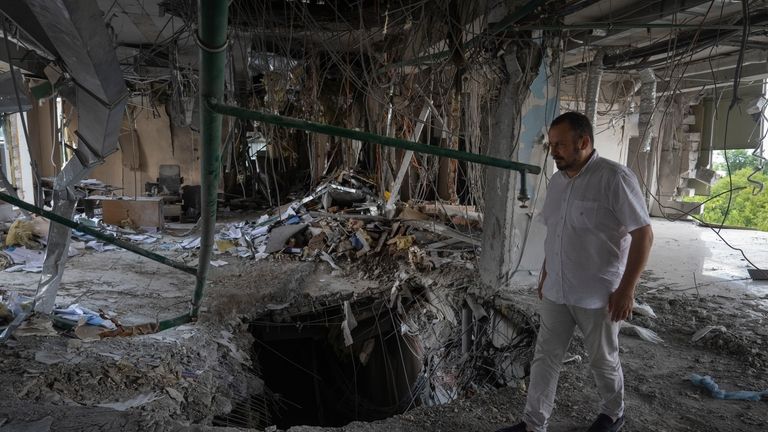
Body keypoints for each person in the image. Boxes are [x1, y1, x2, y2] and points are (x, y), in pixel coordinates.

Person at [496, 112, 653, 432]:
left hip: (599, 294)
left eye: (561, 145)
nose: (554, 151)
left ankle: (613, 412)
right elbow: (556, 231)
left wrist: (627, 289)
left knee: (602, 359)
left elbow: (643, 235)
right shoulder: (556, 182)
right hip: (557, 288)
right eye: (552, 144)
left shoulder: (615, 178)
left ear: (584, 142)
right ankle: (533, 423)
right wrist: (545, 271)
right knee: (545, 358)